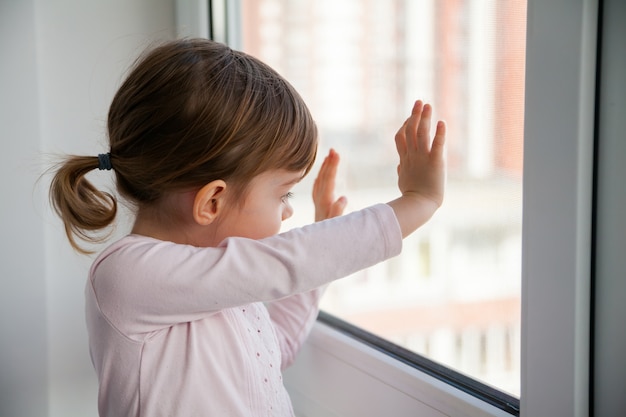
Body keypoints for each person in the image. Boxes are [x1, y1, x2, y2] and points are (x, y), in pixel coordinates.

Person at [48, 38, 446, 417]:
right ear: (212, 202)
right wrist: (418, 202)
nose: (288, 214)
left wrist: (320, 265)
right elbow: (283, 264)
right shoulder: (128, 275)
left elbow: (271, 351)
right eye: (284, 195)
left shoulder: (211, 283)